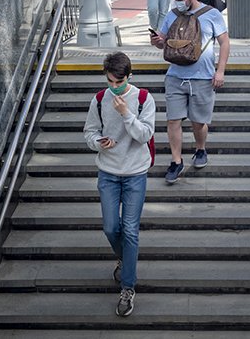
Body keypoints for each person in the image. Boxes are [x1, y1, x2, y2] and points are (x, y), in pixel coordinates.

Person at [83, 51, 156, 317]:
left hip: (135, 172)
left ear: (129, 76)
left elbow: (145, 134)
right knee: (111, 227)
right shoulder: (99, 99)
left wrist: (126, 114)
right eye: (110, 81)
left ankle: (127, 287)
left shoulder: (144, 98)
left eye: (119, 82)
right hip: (109, 172)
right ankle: (126, 260)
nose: (114, 87)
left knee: (130, 230)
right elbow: (89, 131)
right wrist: (98, 142)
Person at [150, 0, 230, 184]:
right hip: (175, 76)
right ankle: (176, 161)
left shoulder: (212, 14)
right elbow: (163, 43)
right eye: (175, 0)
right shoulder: (172, 15)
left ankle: (200, 149)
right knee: (173, 120)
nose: (177, 3)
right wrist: (157, 41)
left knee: (198, 122)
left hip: (202, 77)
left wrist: (220, 71)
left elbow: (224, 43)